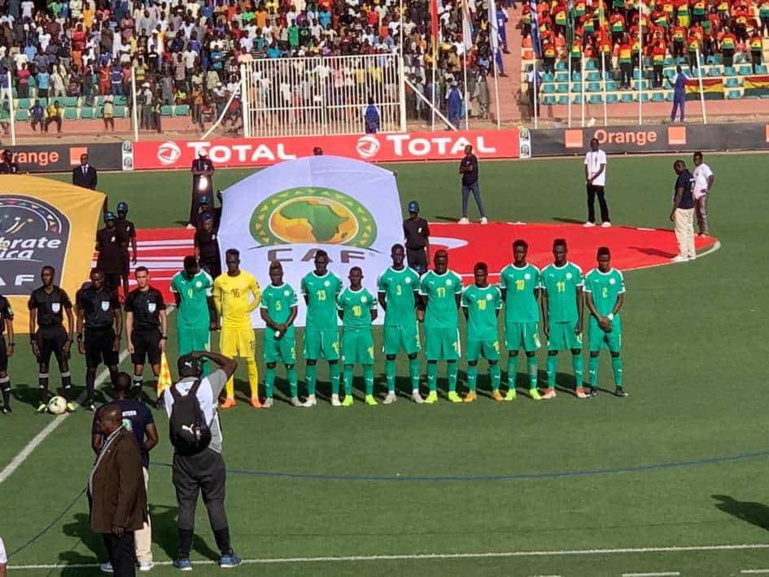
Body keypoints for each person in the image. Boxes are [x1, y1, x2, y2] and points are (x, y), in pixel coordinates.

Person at [165, 352, 242, 571]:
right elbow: (231, 364)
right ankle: (226, 554)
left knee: (186, 506)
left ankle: (183, 557)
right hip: (209, 454)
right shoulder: (208, 386)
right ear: (198, 369)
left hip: (182, 457)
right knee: (215, 503)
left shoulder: (168, 393)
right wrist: (206, 353)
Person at [92, 374, 158, 572]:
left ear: (113, 388)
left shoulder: (105, 411)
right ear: (131, 388)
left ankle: (116, 558)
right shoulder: (141, 408)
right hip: (139, 465)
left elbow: (95, 444)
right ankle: (144, 557)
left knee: (115, 505)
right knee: (140, 507)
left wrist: (110, 457)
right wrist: (138, 454)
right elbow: (153, 438)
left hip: (114, 468)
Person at [88, 405, 148, 577]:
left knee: (123, 563)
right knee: (117, 561)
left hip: (118, 519)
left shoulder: (125, 444)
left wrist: (120, 520)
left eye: (102, 420)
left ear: (114, 421)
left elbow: (129, 486)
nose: (98, 423)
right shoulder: (113, 439)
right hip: (110, 514)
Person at [212, 249, 262, 408]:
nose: (231, 264)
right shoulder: (220, 280)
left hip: (244, 325)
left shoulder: (248, 278)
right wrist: (222, 311)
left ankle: (254, 396)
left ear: (238, 261)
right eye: (229, 262)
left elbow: (257, 295)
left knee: (250, 359)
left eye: (234, 262)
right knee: (227, 361)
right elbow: (215, 297)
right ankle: (230, 396)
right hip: (228, 326)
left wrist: (248, 308)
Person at [377, 244, 423, 404]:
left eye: (400, 254)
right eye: (395, 254)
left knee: (412, 354)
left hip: (409, 322)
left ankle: (415, 392)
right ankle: (391, 392)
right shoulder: (384, 276)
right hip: (391, 322)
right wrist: (390, 310)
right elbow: (381, 297)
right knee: (390, 356)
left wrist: (411, 310)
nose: (397, 257)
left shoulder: (413, 275)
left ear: (403, 255)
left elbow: (418, 295)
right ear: (392, 256)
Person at [541, 239, 586, 400]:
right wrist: (545, 322)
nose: (558, 255)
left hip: (572, 318)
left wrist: (581, 320)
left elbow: (580, 295)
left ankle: (579, 387)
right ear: (553, 252)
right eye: (556, 252)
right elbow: (544, 297)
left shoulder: (575, 270)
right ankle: (550, 387)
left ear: (566, 251)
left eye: (561, 252)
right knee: (552, 351)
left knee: (576, 350)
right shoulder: (546, 272)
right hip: (554, 319)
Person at [499, 239, 542, 401]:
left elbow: (536, 293)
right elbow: (503, 294)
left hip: (529, 318)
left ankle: (532, 388)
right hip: (512, 318)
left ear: (526, 252)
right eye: (516, 251)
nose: (519, 254)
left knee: (531, 352)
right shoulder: (506, 272)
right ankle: (511, 389)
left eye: (521, 252)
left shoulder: (533, 271)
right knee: (513, 352)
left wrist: (527, 307)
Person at [29, 266, 76, 413]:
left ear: (53, 276)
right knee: (43, 365)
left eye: (48, 275)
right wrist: (33, 340)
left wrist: (70, 339)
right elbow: (31, 319)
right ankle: (43, 401)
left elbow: (70, 315)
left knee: (63, 363)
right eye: (43, 275)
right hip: (43, 333)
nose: (45, 277)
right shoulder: (36, 295)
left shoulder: (60, 293)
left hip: (58, 332)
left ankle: (68, 400)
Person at [419, 249, 463, 403]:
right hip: (432, 325)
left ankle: (451, 391)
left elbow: (457, 299)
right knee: (432, 358)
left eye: (443, 260)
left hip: (450, 324)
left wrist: (448, 314)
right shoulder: (426, 279)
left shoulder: (455, 278)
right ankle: (432, 392)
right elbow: (424, 299)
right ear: (434, 261)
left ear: (447, 261)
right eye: (438, 260)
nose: (440, 263)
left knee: (452, 358)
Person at [300, 250, 343, 407]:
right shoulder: (307, 280)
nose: (320, 264)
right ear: (314, 262)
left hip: (330, 327)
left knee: (333, 360)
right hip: (313, 327)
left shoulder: (335, 280)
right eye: (317, 262)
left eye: (322, 262)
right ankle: (311, 396)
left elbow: (337, 300)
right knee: (311, 360)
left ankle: (335, 395)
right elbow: (308, 300)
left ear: (327, 262)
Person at [584, 247, 627, 398]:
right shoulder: (590, 276)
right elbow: (588, 300)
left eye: (606, 260)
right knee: (594, 352)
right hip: (595, 321)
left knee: (615, 352)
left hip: (613, 321)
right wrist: (599, 318)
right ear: (597, 259)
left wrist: (608, 317)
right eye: (601, 260)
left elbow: (620, 299)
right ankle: (593, 387)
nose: (604, 263)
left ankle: (619, 387)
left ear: (610, 259)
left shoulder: (617, 275)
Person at [76, 269, 122, 411]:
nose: (96, 282)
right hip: (91, 334)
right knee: (91, 367)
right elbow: (80, 316)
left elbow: (118, 315)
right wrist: (79, 338)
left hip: (107, 333)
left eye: (98, 279)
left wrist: (117, 337)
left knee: (113, 366)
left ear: (102, 279)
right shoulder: (85, 294)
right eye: (93, 279)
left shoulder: (110, 293)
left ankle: (118, 395)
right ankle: (90, 399)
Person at [259, 261, 301, 408]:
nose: (275, 277)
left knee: (290, 364)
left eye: (278, 274)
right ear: (269, 275)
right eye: (273, 274)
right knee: (270, 364)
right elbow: (263, 313)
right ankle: (269, 397)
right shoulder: (266, 292)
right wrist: (276, 325)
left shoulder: (289, 290)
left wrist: (285, 326)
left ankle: (294, 397)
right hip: (271, 333)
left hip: (287, 334)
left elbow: (294, 311)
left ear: (282, 274)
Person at [461, 262, 502, 403]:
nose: (478, 278)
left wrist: (488, 323)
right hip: (473, 334)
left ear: (486, 275)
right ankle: (472, 391)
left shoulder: (494, 292)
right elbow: (466, 311)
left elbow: (497, 311)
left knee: (493, 361)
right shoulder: (468, 292)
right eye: (476, 276)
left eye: (481, 276)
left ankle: (495, 390)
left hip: (490, 333)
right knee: (472, 362)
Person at [336, 267, 378, 406]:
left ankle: (369, 395)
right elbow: (340, 312)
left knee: (368, 364)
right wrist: (351, 325)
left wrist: (363, 324)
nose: (355, 278)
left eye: (357, 276)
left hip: (365, 333)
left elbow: (374, 313)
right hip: (349, 334)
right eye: (352, 276)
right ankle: (348, 396)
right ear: (349, 278)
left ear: (362, 277)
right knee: (348, 365)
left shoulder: (369, 294)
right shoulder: (343, 296)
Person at [125, 267, 168, 400]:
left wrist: (164, 337)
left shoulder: (156, 294)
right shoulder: (132, 296)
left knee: (156, 366)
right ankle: (137, 396)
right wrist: (129, 340)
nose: (141, 280)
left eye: (143, 277)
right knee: (138, 367)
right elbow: (129, 318)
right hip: (138, 335)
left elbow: (163, 316)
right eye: (138, 277)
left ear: (148, 277)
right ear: (135, 278)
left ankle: (161, 397)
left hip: (153, 334)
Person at [171, 256, 216, 373]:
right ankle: (186, 383)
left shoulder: (206, 279)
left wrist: (213, 319)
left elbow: (211, 302)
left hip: (201, 322)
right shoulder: (176, 279)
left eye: (192, 272)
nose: (190, 275)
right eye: (188, 272)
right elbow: (178, 300)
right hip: (184, 323)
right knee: (184, 355)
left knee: (203, 355)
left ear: (197, 266)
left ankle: (204, 380)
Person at [95, 212, 127, 297]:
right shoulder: (101, 233)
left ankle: (115, 304)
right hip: (104, 266)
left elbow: (124, 245)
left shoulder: (118, 232)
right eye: (108, 220)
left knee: (115, 288)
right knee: (104, 286)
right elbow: (97, 246)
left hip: (115, 266)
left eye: (111, 220)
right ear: (105, 221)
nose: (110, 222)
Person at [670, 159, 696, 262]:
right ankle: (691, 252)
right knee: (689, 230)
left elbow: (679, 195)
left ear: (678, 167)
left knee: (681, 231)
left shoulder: (681, 178)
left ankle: (683, 254)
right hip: (690, 206)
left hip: (682, 207)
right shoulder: (690, 176)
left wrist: (673, 211)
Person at [584, 138, 611, 227]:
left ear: (598, 144)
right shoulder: (588, 154)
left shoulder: (602, 154)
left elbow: (601, 168)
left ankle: (606, 220)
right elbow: (586, 167)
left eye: (595, 144)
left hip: (599, 181)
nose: (593, 145)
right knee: (590, 201)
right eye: (592, 144)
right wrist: (588, 178)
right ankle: (591, 220)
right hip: (590, 181)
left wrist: (593, 178)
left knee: (601, 199)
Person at [458, 145, 488, 225]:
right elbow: (460, 170)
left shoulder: (473, 158)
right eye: (465, 149)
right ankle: (464, 217)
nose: (465, 150)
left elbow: (471, 169)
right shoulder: (463, 160)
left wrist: (465, 169)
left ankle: (483, 217)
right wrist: (465, 169)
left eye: (467, 149)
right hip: (465, 183)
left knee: (478, 199)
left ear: (471, 150)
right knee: (464, 200)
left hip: (473, 182)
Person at [115, 202, 138, 297]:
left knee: (125, 277)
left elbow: (133, 239)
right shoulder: (114, 222)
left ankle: (126, 296)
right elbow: (105, 211)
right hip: (115, 253)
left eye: (122, 212)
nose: (121, 213)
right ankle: (115, 297)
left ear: (126, 212)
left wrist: (135, 253)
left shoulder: (129, 225)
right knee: (115, 277)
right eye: (119, 212)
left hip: (124, 253)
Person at [403, 200, 430, 275]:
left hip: (420, 252)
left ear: (417, 212)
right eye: (410, 212)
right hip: (410, 251)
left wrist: (428, 256)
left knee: (423, 272)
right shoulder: (406, 223)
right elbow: (404, 237)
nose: (411, 214)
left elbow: (426, 239)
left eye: (413, 212)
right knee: (411, 273)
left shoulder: (423, 223)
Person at [189, 152, 214, 229]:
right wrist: (203, 173)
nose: (204, 157)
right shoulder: (196, 162)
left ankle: (211, 221)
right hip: (197, 188)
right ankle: (192, 222)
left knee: (209, 204)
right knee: (196, 204)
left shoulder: (209, 162)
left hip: (207, 187)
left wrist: (204, 173)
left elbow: (211, 172)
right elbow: (194, 171)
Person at [692, 151, 715, 236]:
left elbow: (711, 176)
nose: (695, 161)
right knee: (697, 213)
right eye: (694, 160)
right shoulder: (696, 169)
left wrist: (707, 188)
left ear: (701, 159)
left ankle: (705, 231)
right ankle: (700, 230)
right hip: (696, 194)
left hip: (702, 194)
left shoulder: (704, 167)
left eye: (697, 160)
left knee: (703, 212)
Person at [194, 213, 221, 279]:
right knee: (207, 278)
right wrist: (196, 261)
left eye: (208, 224)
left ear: (211, 223)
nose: (206, 226)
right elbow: (197, 248)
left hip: (216, 261)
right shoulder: (199, 234)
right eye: (204, 224)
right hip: (204, 261)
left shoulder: (217, 232)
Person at [0, 293, 14, 414]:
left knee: (2, 371)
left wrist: (11, 343)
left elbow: (9, 322)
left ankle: (6, 404)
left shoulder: (3, 301)